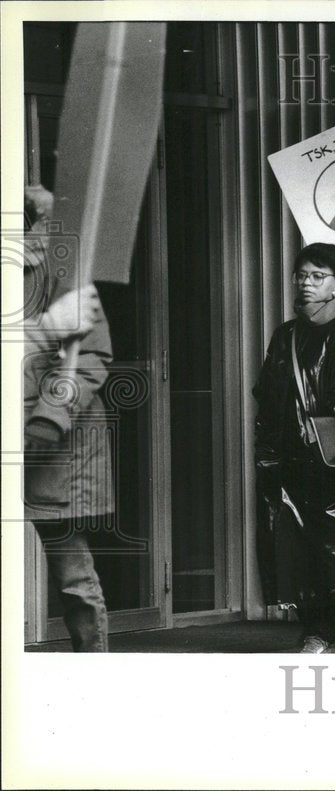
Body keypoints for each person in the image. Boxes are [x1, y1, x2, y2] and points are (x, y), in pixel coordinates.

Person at [253, 242, 335, 653]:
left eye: (317, 276)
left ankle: (322, 631)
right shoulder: (285, 334)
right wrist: (266, 454)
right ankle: (312, 628)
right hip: (289, 456)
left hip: (331, 461)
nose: (307, 283)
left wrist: (322, 411)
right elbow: (268, 398)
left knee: (331, 546)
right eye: (302, 275)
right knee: (293, 543)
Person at [23, 184, 112, 652]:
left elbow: (92, 358)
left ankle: (92, 673)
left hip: (47, 446)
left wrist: (49, 418)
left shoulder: (66, 274)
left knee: (72, 575)